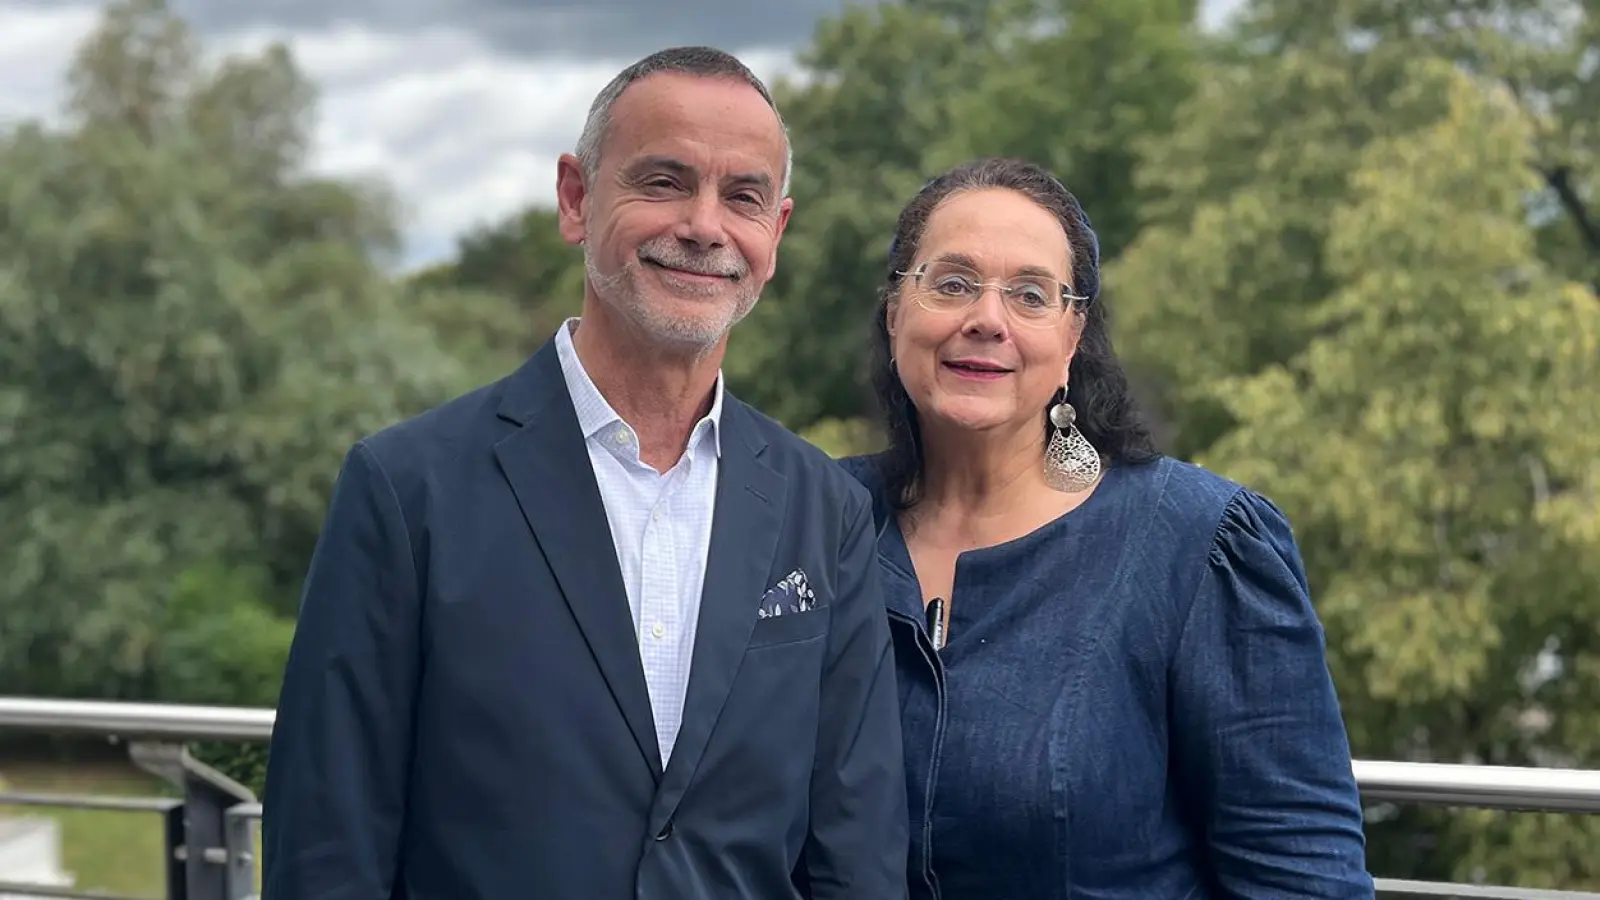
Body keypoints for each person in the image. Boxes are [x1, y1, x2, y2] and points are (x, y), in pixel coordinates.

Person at [261, 47, 908, 900]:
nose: (706, 226)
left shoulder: (825, 511)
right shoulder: (406, 491)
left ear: (775, 234)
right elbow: (327, 852)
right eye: (665, 182)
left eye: (742, 196)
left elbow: (855, 859)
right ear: (576, 197)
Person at [837, 156, 1374, 899]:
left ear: (1073, 334)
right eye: (952, 282)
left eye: (1030, 294)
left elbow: (1303, 881)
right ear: (897, 310)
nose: (985, 320)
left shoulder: (1196, 543)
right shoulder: (816, 523)